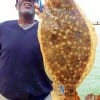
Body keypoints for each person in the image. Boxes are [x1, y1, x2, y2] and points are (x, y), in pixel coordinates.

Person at [0, 0, 53, 100]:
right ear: (16, 6)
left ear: (38, 5)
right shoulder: (2, 28)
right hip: (6, 95)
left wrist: (50, 18)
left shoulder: (48, 30)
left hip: (41, 96)